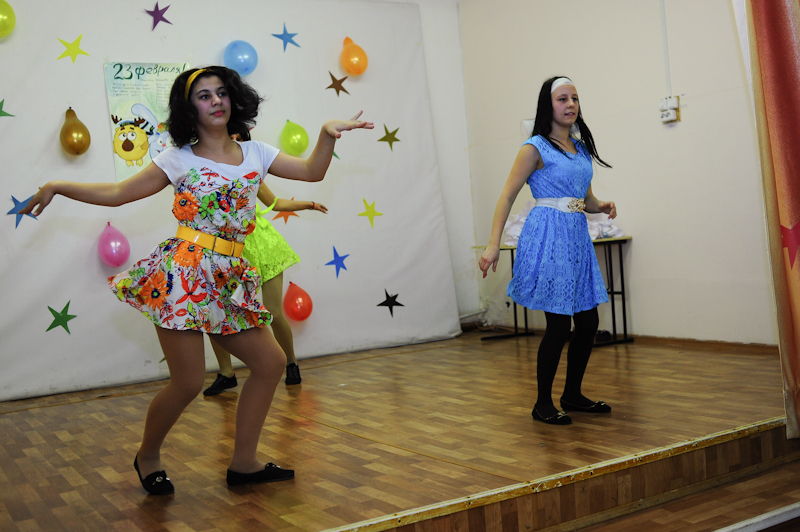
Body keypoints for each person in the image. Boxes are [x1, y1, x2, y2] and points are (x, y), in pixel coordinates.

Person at [21, 66, 373, 493]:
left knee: (271, 363)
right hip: (183, 273)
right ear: (189, 109)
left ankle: (244, 463)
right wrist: (58, 185)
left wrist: (327, 134)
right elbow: (117, 194)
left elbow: (312, 171)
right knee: (188, 382)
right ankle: (148, 455)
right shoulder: (177, 158)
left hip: (230, 277)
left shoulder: (257, 152)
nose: (216, 101)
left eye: (221, 92)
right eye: (204, 96)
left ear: (234, 98)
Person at [478, 76, 616, 426]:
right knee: (558, 324)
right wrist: (493, 244)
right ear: (548, 105)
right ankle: (542, 403)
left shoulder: (580, 148)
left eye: (574, 98)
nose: (570, 105)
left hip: (576, 238)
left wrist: (601, 206)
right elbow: (507, 196)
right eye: (562, 99)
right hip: (548, 235)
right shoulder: (534, 148)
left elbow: (583, 199)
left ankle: (572, 395)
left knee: (588, 321)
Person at [203, 127, 325, 395]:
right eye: (230, 137)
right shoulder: (206, 173)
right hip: (228, 252)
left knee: (273, 312)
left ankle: (291, 362)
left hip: (264, 247)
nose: (234, 141)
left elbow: (274, 203)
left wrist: (307, 204)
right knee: (216, 314)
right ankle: (226, 373)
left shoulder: (250, 170)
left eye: (239, 138)